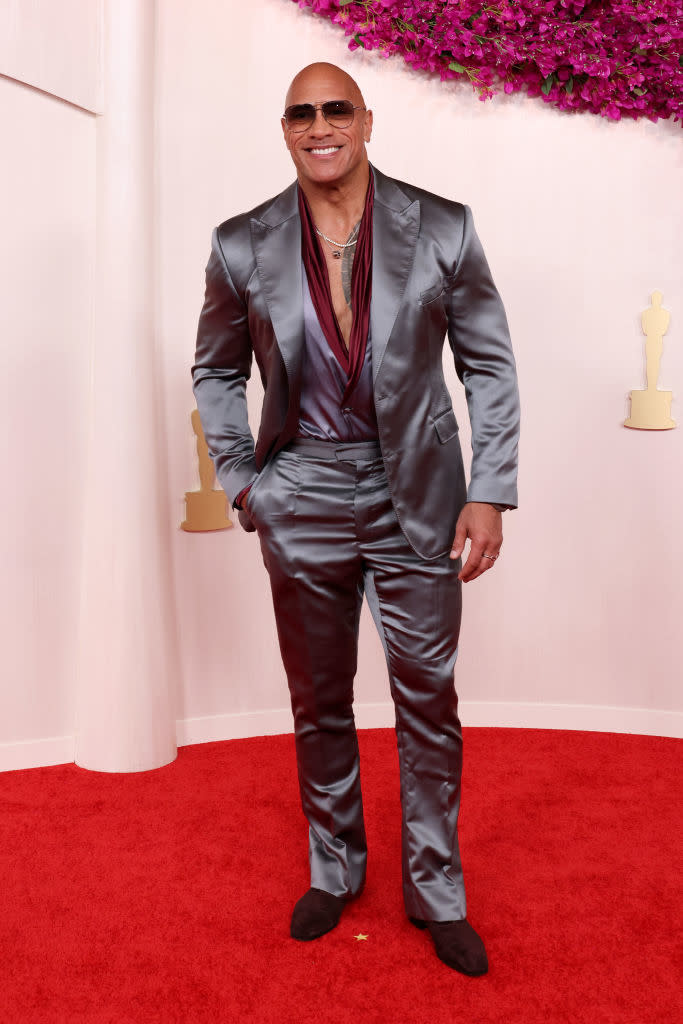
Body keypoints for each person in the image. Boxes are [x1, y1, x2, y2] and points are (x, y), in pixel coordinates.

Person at [192, 62, 520, 977]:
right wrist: (243, 479)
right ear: (285, 129)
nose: (319, 125)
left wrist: (487, 488)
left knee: (428, 701)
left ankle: (436, 889)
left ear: (366, 120)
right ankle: (334, 870)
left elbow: (486, 365)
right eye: (301, 113)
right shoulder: (239, 244)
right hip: (299, 492)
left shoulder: (442, 226)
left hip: (416, 493)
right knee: (318, 700)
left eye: (336, 108)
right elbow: (216, 371)